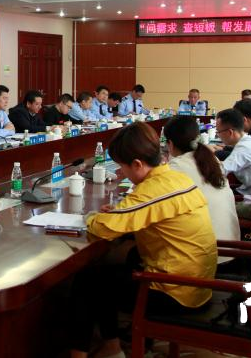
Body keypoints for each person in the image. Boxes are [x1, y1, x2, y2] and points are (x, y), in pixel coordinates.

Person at [69, 123, 216, 358]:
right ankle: (111, 348)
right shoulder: (175, 178)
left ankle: (97, 351)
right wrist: (120, 213)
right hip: (198, 283)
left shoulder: (151, 189)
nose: (121, 172)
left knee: (88, 280)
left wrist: (91, 217)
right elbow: (149, 213)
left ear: (137, 164)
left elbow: (102, 228)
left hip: (176, 291)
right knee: (113, 268)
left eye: (122, 166)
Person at [165, 116, 240, 262]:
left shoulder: (175, 168)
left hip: (207, 260)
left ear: (170, 144)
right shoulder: (211, 159)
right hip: (231, 250)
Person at [214, 109, 251, 199]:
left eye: (218, 132)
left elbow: (220, 171)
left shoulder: (244, 148)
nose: (218, 135)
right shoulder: (249, 141)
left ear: (230, 132)